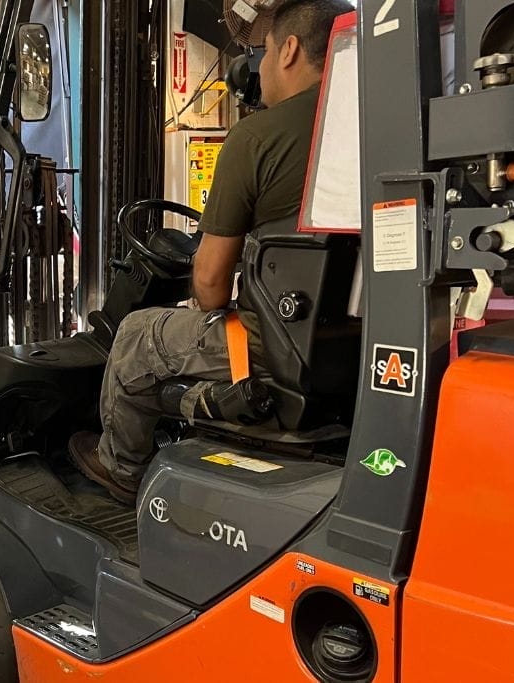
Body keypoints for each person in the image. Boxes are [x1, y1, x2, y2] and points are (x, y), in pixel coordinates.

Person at [69, 0, 354, 504]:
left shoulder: (256, 138)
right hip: (350, 346)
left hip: (274, 346)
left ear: (288, 50)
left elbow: (209, 284)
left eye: (265, 51)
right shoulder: (378, 130)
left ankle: (121, 466)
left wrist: (203, 307)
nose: (260, 66)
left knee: (137, 336)